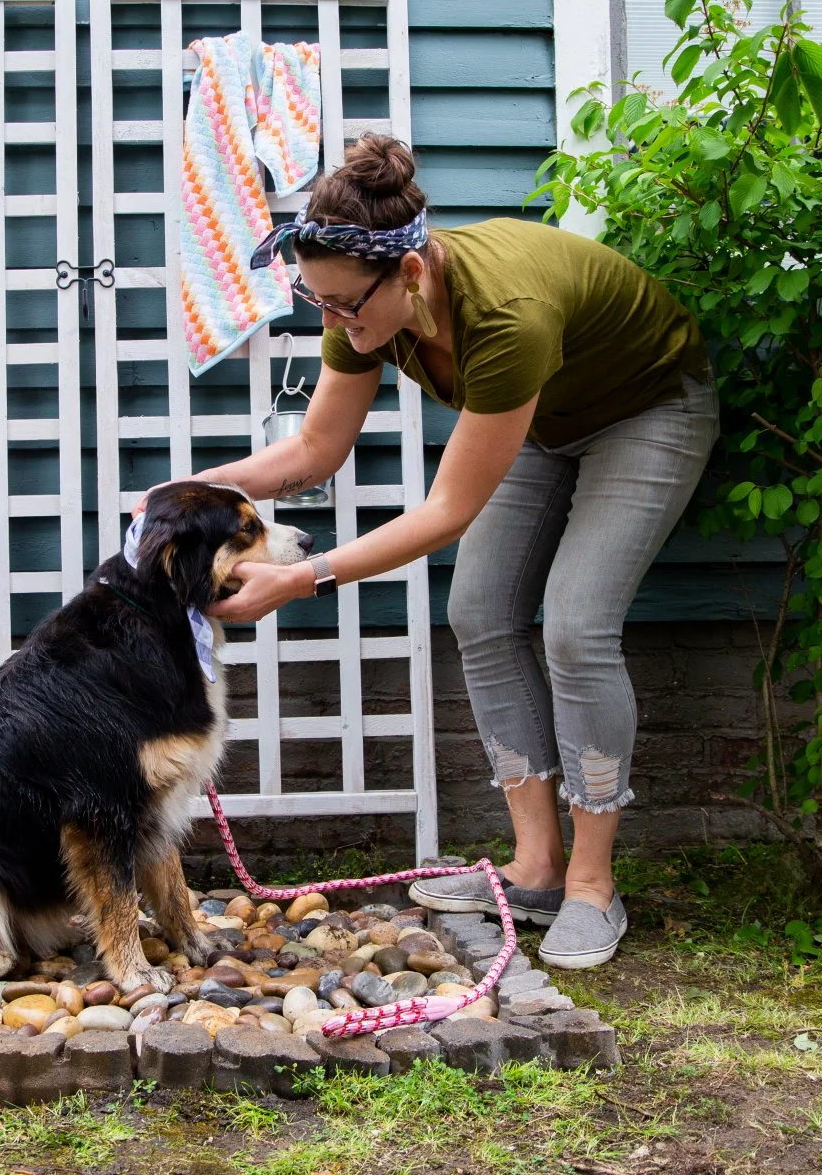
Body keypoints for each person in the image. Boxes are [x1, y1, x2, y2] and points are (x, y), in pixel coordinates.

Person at [148, 134, 718, 968]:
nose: (334, 323)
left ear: (410, 274)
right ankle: (535, 868)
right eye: (319, 304)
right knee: (478, 610)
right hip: (543, 419)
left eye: (346, 306)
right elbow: (313, 451)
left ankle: (593, 885)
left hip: (649, 410)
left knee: (576, 625)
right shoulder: (361, 300)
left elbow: (448, 510)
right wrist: (188, 491)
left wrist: (301, 578)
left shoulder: (505, 317)